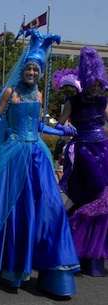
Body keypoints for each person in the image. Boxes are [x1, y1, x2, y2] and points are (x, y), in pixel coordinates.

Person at [0, 29, 80, 297]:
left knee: (48, 207)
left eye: (35, 70)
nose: (31, 73)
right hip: (13, 152)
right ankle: (9, 268)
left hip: (37, 155)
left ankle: (50, 265)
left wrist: (62, 131)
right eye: (28, 69)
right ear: (23, 70)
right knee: (11, 209)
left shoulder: (39, 97)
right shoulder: (10, 92)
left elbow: (39, 125)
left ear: (39, 72)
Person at [55, 46, 108, 276]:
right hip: (83, 145)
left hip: (103, 146)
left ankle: (90, 253)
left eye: (99, 83)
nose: (96, 87)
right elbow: (59, 124)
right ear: (86, 81)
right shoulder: (73, 101)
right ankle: (74, 211)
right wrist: (65, 127)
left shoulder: (102, 101)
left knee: (103, 195)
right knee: (96, 185)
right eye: (93, 83)